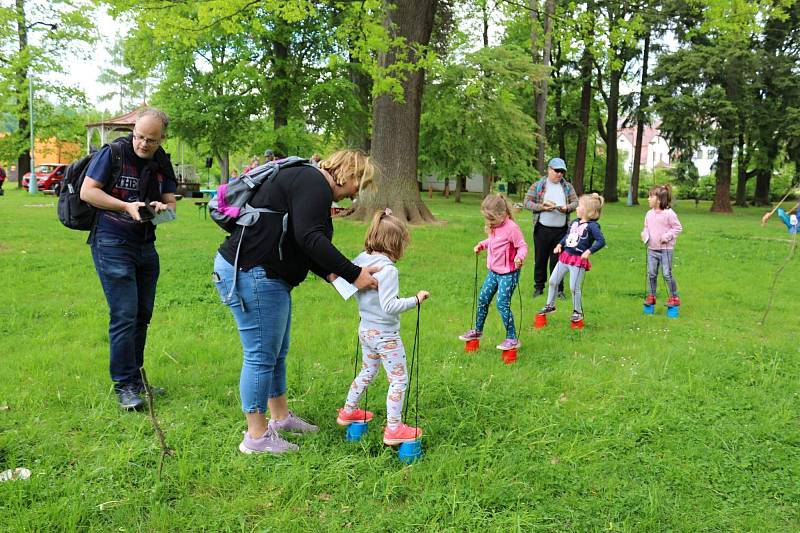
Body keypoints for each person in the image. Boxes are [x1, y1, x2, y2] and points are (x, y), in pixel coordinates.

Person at [213, 149, 379, 455]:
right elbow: (310, 238)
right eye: (360, 183)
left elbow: (297, 240)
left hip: (263, 274)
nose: (356, 193)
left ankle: (279, 418)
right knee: (261, 354)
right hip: (253, 273)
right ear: (348, 173)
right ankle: (256, 437)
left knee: (275, 352)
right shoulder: (314, 183)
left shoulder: (307, 180)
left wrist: (331, 274)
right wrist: (353, 274)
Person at [80, 107, 177, 411]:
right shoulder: (114, 153)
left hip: (145, 244)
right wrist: (126, 207)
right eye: (139, 136)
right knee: (124, 313)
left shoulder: (162, 162)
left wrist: (161, 207)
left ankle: (135, 378)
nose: (142, 144)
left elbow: (171, 202)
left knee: (142, 314)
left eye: (151, 140)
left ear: (162, 139)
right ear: (133, 130)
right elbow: (88, 192)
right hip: (111, 241)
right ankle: (124, 385)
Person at [336, 209, 429, 445]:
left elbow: (345, 282)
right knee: (399, 379)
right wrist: (415, 299)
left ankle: (349, 410)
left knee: (368, 371)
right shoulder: (388, 270)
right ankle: (394, 428)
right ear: (395, 244)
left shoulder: (361, 261)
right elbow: (390, 306)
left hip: (366, 329)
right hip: (385, 334)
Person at [459, 194, 528, 350]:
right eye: (487, 219)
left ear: (503, 214)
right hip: (494, 272)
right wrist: (482, 245)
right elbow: (493, 241)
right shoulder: (494, 226)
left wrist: (519, 257)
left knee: (502, 303)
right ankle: (477, 330)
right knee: (483, 299)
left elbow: (522, 246)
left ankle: (512, 338)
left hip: (509, 274)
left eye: (492, 219)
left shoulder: (512, 228)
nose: (489, 223)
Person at [539, 193, 606, 323]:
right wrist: (559, 244)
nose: (576, 208)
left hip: (577, 261)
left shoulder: (593, 226)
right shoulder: (575, 222)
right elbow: (567, 236)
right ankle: (550, 305)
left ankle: (577, 312)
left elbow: (601, 241)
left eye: (579, 206)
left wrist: (589, 251)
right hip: (565, 257)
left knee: (573, 287)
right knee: (553, 281)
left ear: (588, 211)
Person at [523, 157, 578, 299]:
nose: (559, 174)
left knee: (559, 261)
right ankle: (539, 288)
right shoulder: (538, 185)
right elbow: (526, 202)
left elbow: (575, 202)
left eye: (562, 171)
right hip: (542, 229)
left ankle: (559, 290)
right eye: (556, 171)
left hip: (561, 231)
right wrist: (541, 207)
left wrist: (566, 208)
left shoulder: (567, 187)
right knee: (540, 259)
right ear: (549, 169)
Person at [641, 185, 683, 307]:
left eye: (650, 196)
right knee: (651, 273)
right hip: (652, 250)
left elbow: (678, 228)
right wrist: (644, 234)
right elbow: (646, 228)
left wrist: (667, 236)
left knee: (666, 274)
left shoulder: (669, 214)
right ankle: (651, 296)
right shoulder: (649, 214)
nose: (648, 199)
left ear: (658, 199)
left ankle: (674, 297)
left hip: (666, 250)